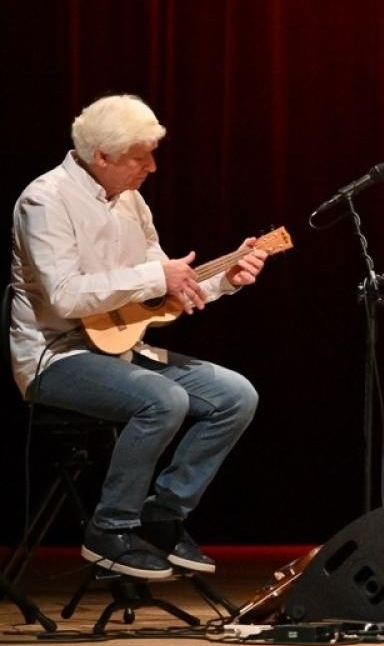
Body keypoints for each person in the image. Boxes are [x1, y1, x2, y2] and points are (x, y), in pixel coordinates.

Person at [8, 95, 268, 579]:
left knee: (236, 394)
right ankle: (110, 528)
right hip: (56, 356)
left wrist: (222, 280)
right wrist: (157, 278)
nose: (150, 166)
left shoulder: (131, 201)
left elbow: (161, 298)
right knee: (164, 399)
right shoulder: (45, 200)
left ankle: (162, 516)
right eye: (139, 156)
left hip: (122, 348)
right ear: (101, 157)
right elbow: (65, 296)